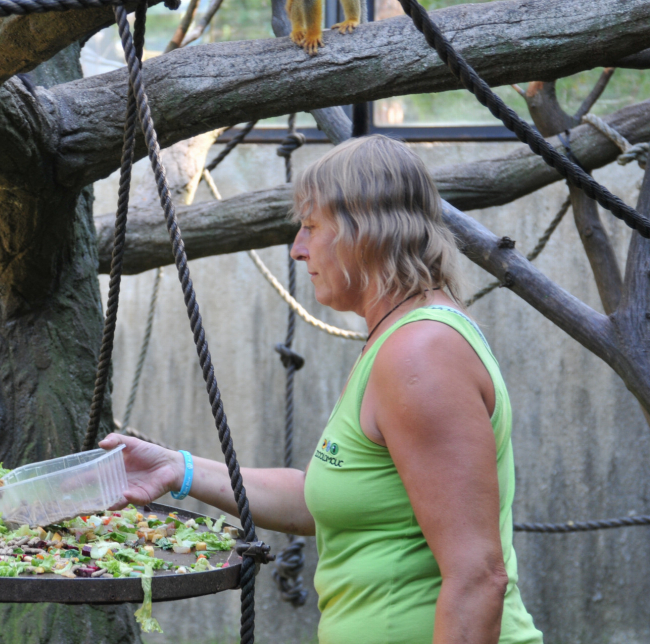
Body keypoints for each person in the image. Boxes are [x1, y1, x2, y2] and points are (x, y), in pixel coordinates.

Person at [100, 135, 544, 644]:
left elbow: (478, 576)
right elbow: (323, 499)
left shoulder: (420, 353)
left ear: (367, 232)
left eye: (311, 227)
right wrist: (176, 468)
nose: (297, 248)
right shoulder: (396, 337)